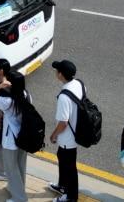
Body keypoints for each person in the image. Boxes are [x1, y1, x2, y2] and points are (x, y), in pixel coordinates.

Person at [0, 70, 32, 202]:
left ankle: (19, 198)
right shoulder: (26, 95)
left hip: (11, 140)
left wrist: (1, 86)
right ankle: (16, 189)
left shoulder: (7, 101)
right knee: (20, 166)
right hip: (23, 137)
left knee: (11, 169)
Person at [48, 60, 81, 202]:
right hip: (76, 132)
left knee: (70, 169)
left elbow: (63, 123)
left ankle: (70, 197)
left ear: (60, 74)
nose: (56, 72)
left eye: (57, 70)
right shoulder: (79, 84)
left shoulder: (64, 97)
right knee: (61, 156)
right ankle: (62, 186)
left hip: (68, 138)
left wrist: (53, 135)